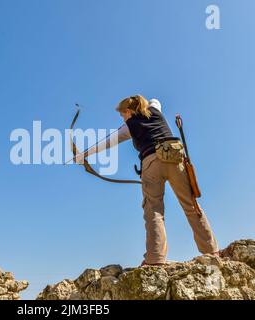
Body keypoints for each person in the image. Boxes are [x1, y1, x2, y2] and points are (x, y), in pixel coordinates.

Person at [75, 95, 219, 265]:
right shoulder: (155, 110)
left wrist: (83, 154)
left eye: (123, 114)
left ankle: (155, 259)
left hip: (151, 163)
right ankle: (211, 251)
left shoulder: (129, 126)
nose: (123, 118)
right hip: (174, 158)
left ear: (128, 111)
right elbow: (155, 100)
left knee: (154, 211)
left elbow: (107, 142)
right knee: (191, 205)